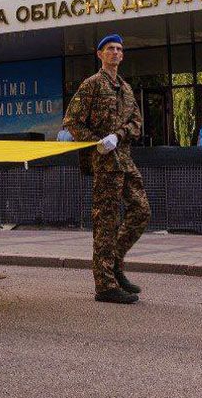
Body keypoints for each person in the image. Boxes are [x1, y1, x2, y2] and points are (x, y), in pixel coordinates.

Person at [62, 34, 151, 304]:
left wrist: (119, 135)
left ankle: (114, 263)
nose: (115, 52)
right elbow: (72, 121)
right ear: (100, 54)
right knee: (106, 222)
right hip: (104, 163)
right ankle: (105, 285)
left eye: (119, 49)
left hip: (124, 160)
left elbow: (136, 123)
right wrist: (96, 142)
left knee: (141, 210)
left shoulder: (126, 89)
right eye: (110, 48)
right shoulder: (92, 84)